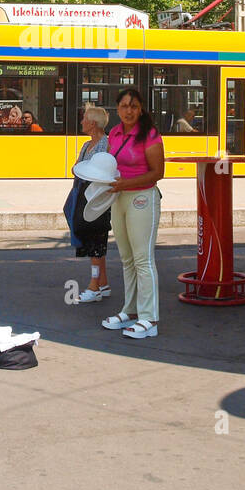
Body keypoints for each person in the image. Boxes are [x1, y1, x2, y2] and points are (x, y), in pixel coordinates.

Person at [100, 87, 165, 340]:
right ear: (117, 109)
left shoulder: (149, 135)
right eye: (125, 106)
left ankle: (150, 319)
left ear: (141, 109)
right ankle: (130, 311)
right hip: (118, 198)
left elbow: (157, 173)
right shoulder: (114, 133)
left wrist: (124, 184)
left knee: (143, 259)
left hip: (142, 197)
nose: (129, 111)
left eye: (134, 106)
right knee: (126, 258)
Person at [71, 105, 111, 302]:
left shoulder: (108, 145)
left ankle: (94, 286)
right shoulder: (87, 145)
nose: (81, 122)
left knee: (96, 242)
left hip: (99, 200)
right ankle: (103, 284)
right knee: (94, 242)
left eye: (84, 119)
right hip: (84, 197)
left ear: (93, 123)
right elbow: (77, 168)